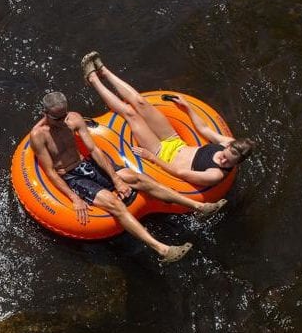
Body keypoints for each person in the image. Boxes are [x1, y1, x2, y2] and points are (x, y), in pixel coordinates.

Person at [29, 91, 222, 264]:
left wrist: (116, 179)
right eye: (57, 118)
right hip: (71, 176)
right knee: (114, 204)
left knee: (138, 178)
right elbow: (51, 172)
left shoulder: (73, 119)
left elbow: (94, 149)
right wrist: (74, 198)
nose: (62, 120)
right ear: (45, 114)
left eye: (64, 115)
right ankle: (163, 250)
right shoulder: (39, 135)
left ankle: (199, 207)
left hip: (87, 164)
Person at [82, 51, 256, 187]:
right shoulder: (227, 142)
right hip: (174, 140)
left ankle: (93, 79)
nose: (223, 160)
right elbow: (204, 130)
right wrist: (188, 109)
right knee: (141, 102)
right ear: (230, 146)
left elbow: (181, 173)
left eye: (228, 162)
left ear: (237, 163)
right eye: (225, 155)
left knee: (130, 113)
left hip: (160, 153)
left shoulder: (215, 174)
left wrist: (152, 157)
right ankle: (104, 71)